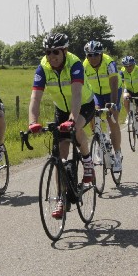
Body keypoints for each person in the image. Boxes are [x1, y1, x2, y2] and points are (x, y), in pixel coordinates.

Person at [27, 32, 95, 219]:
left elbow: (77, 95)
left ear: (64, 51)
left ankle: (88, 162)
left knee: (76, 128)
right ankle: (61, 198)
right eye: (48, 52)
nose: (52, 56)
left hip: (84, 104)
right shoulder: (43, 68)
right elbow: (35, 97)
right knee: (59, 155)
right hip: (61, 109)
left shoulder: (75, 64)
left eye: (56, 51)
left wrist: (72, 119)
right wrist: (33, 122)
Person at [82, 40, 123, 176]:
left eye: (96, 54)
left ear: (101, 54)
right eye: (90, 55)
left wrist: (113, 104)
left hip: (112, 91)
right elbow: (82, 86)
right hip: (96, 93)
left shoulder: (109, 63)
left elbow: (114, 82)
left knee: (112, 120)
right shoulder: (84, 65)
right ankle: (100, 140)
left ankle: (118, 156)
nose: (93, 57)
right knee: (92, 114)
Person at [118, 56, 138, 143]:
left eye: (130, 65)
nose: (128, 67)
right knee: (125, 98)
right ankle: (129, 115)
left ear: (134, 64)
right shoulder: (122, 71)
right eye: (126, 66)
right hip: (128, 90)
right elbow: (120, 84)